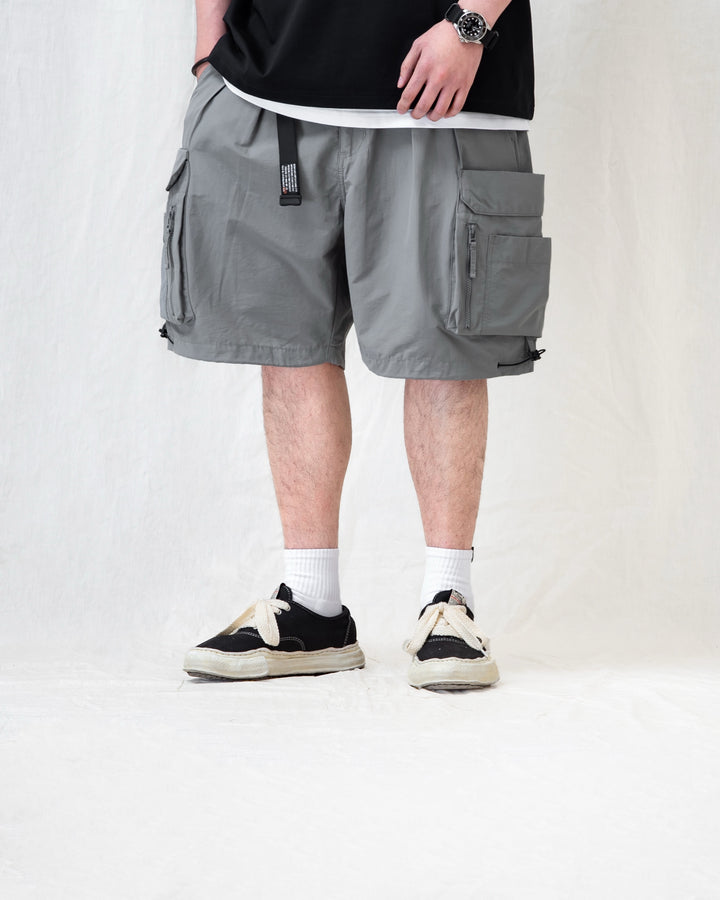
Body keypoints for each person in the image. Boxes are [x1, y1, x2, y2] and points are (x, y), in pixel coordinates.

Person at [160, 0, 552, 691]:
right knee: (288, 343)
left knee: (444, 345)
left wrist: (470, 25)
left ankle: (448, 602)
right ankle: (313, 607)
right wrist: (208, 48)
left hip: (440, 92)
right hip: (264, 85)